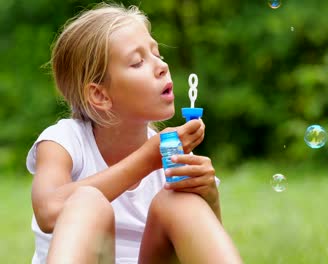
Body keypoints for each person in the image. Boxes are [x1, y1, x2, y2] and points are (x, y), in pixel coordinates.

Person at [25, 2, 243, 263]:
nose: (162, 66)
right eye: (138, 62)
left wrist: (209, 197)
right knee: (87, 201)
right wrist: (147, 159)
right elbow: (48, 211)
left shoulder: (169, 154)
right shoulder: (63, 142)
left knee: (180, 201)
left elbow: (194, 251)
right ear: (99, 94)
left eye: (157, 54)